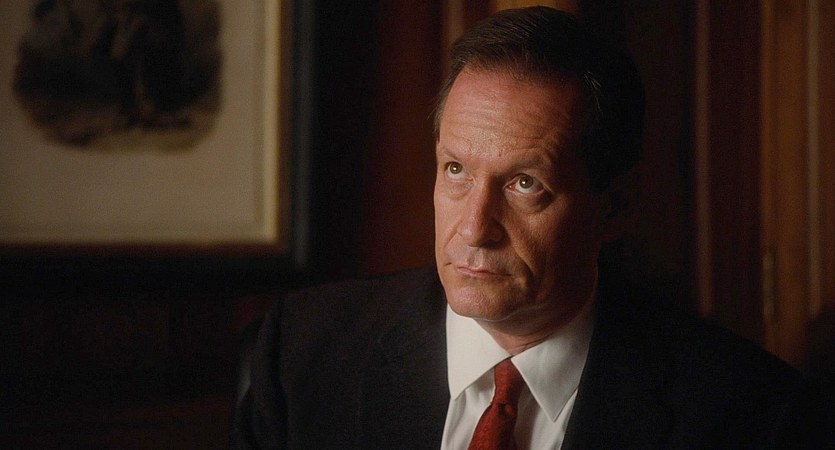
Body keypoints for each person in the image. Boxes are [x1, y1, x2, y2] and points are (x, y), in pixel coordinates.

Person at [233, 7, 824, 449]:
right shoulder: (304, 354)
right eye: (456, 170)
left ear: (615, 206)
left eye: (524, 183)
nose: (474, 228)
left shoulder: (749, 413)